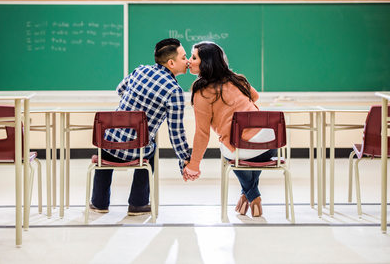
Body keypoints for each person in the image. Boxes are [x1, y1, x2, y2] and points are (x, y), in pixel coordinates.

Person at [90, 38, 191, 216]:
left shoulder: (140, 70)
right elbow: (175, 131)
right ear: (171, 63)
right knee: (150, 147)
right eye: (184, 58)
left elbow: (120, 89)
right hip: (137, 151)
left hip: (107, 143)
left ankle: (99, 203)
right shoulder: (174, 91)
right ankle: (138, 203)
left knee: (109, 143)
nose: (188, 61)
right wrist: (185, 158)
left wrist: (133, 108)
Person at [183, 41, 276, 217]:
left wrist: (194, 164)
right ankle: (247, 195)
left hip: (243, 150)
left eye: (194, 57)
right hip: (270, 143)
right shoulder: (237, 79)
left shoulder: (202, 92)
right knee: (249, 150)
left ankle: (253, 196)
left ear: (206, 63)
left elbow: (202, 133)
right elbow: (255, 96)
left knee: (230, 147)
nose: (189, 60)